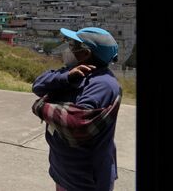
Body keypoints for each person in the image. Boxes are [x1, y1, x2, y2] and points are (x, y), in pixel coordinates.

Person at [31, 27, 121, 191]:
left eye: (73, 45)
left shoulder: (103, 84)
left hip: (85, 178)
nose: (69, 49)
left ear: (86, 53)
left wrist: (41, 106)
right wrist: (65, 77)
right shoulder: (73, 73)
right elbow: (38, 86)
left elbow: (74, 123)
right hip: (63, 169)